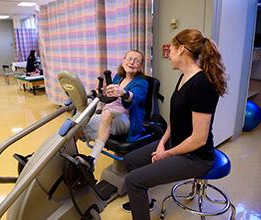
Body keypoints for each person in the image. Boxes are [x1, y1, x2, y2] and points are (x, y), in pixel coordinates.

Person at [121, 29, 228, 220]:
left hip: (196, 157)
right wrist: (162, 142)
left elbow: (199, 138)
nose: (168, 53)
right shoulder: (184, 76)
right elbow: (175, 119)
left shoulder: (201, 85)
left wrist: (166, 153)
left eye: (170, 49)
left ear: (181, 49)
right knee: (130, 160)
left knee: (133, 181)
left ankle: (139, 194)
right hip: (175, 143)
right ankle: (143, 201)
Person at [83, 50, 148, 166]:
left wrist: (124, 93)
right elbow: (109, 94)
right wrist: (100, 91)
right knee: (78, 123)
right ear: (123, 61)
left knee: (107, 113)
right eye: (129, 59)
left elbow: (135, 96)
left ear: (140, 66)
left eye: (136, 61)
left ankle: (92, 159)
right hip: (107, 116)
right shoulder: (118, 78)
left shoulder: (142, 82)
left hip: (126, 120)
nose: (132, 62)